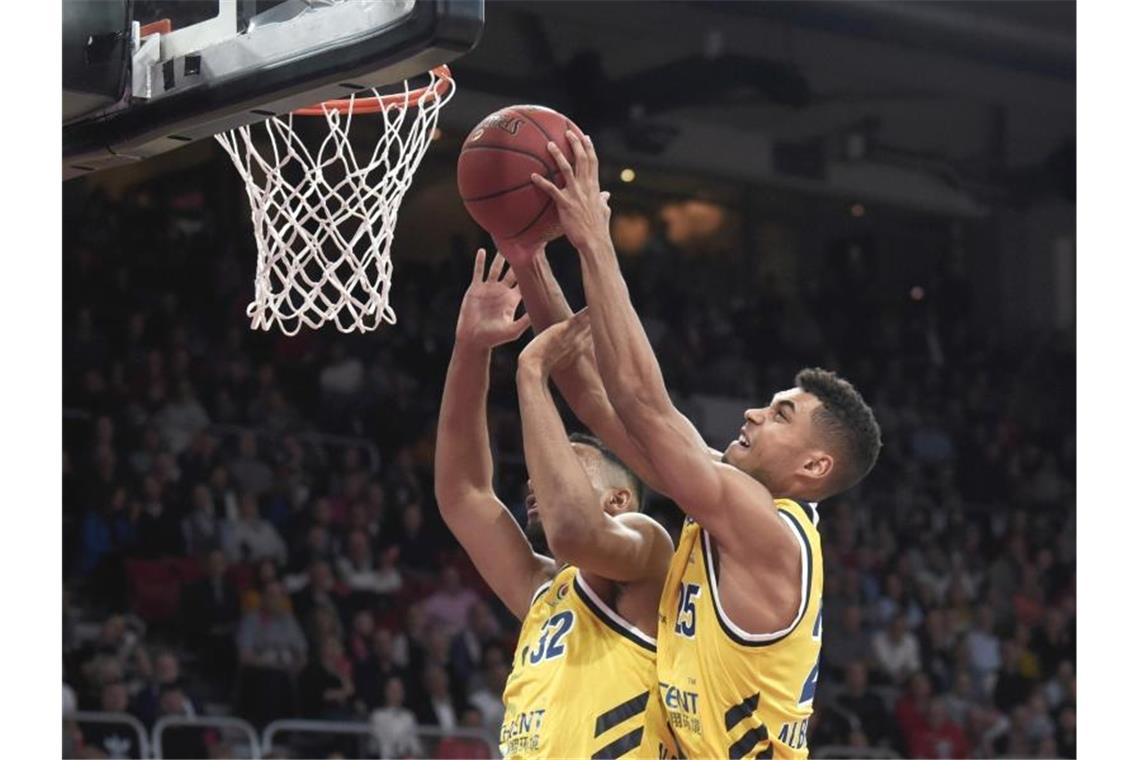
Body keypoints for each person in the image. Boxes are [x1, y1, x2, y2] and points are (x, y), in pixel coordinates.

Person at [528, 131, 881, 758]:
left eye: (780, 415)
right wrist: (525, 252)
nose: (751, 413)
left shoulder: (768, 532)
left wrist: (594, 240)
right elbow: (594, 398)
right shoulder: (723, 498)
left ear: (814, 464)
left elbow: (641, 399)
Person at [433, 250, 675, 758]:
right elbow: (463, 495)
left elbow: (573, 529)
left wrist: (533, 372)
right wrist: (470, 350)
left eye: (567, 459)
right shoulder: (544, 591)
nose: (536, 478)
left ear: (619, 498)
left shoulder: (649, 548)